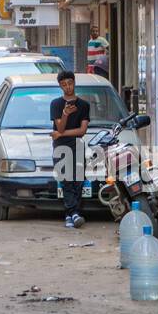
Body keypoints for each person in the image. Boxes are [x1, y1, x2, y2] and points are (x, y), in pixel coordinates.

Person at [50, 69, 90, 231]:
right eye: (64, 84)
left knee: (78, 181)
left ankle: (71, 214)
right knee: (66, 180)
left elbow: (82, 131)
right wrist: (65, 114)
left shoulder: (83, 105)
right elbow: (59, 125)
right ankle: (73, 214)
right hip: (61, 147)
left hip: (77, 145)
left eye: (70, 83)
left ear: (74, 82)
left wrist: (60, 133)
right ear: (60, 86)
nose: (68, 87)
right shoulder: (56, 104)